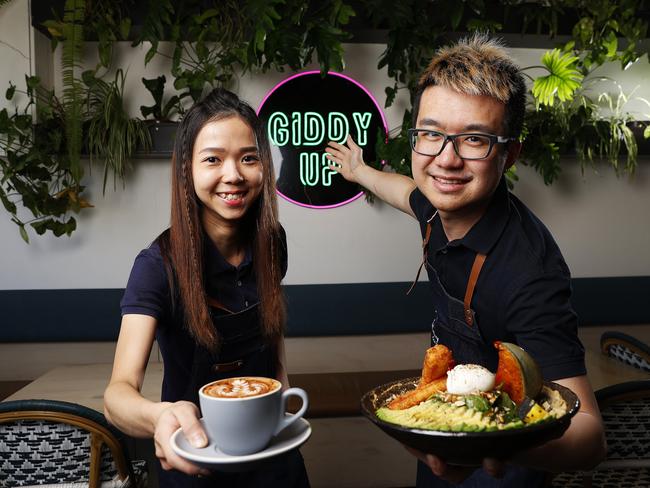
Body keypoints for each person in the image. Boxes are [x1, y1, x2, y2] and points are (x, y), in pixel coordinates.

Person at [326, 34, 606, 487]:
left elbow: (590, 438)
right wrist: (358, 171)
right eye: (431, 134)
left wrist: (491, 446)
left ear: (509, 153)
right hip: (443, 414)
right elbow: (404, 191)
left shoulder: (529, 272)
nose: (445, 160)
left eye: (474, 139)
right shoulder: (435, 205)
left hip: (508, 450)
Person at [104, 88, 310, 488]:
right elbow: (117, 394)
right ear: (186, 170)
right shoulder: (156, 266)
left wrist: (283, 387)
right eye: (213, 159)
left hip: (274, 458)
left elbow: (271, 331)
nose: (233, 174)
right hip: (196, 461)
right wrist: (160, 416)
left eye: (248, 158)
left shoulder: (273, 242)